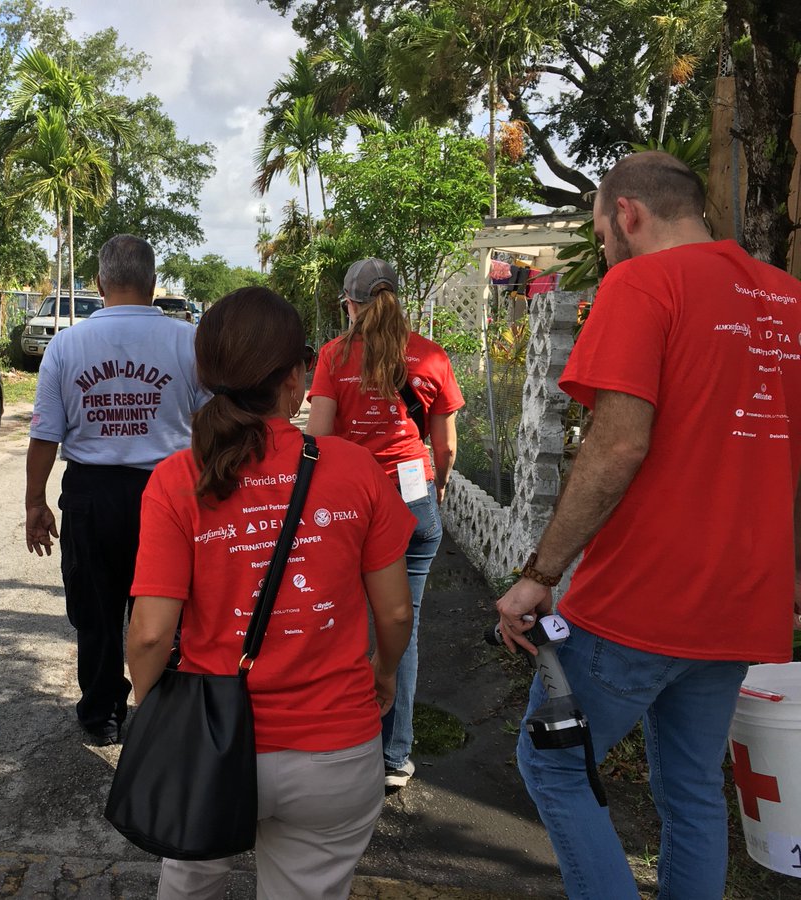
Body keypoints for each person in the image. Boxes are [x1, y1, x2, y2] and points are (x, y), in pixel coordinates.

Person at [495, 150, 801, 899]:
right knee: (693, 790)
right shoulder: (791, 299)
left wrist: (539, 575)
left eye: (602, 235)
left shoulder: (641, 282)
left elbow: (620, 443)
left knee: (553, 762)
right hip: (745, 601)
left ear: (627, 215)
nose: (605, 250)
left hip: (642, 595)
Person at [127, 287, 415, 899]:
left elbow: (151, 632)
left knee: (190, 880)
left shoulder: (179, 479)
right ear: (295, 375)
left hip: (211, 735)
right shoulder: (355, 468)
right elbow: (393, 610)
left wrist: (157, 712)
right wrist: (385, 673)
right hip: (334, 746)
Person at [25, 233, 207, 746]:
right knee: (167, 608)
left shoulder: (67, 344)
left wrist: (34, 501)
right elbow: (214, 419)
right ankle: (162, 710)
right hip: (169, 491)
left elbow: (45, 433)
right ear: (153, 284)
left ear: (100, 282)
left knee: (97, 610)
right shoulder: (186, 341)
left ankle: (101, 713)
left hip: (90, 494)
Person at [306, 258, 463, 789]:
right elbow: (444, 447)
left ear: (349, 305)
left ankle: (341, 746)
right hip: (413, 500)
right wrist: (434, 487)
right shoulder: (432, 356)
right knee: (403, 627)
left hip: (352, 507)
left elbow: (321, 441)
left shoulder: (334, 355)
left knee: (341, 621)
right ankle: (395, 757)